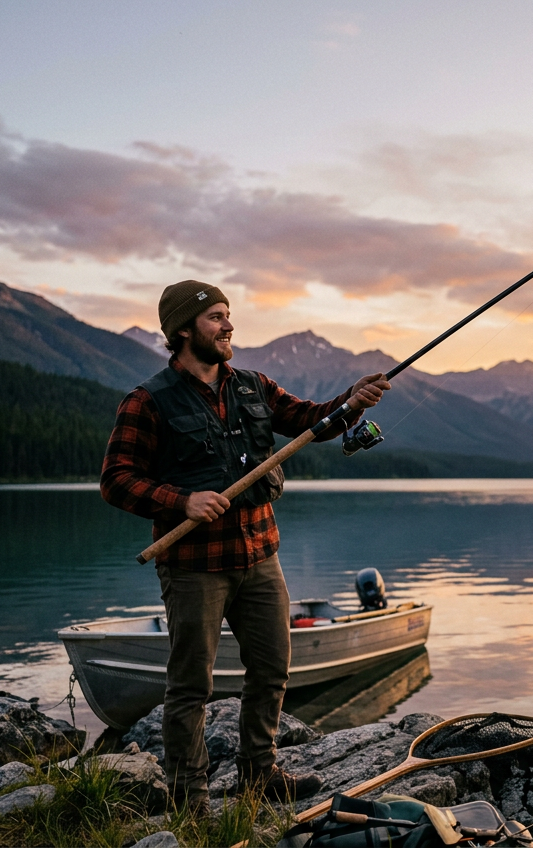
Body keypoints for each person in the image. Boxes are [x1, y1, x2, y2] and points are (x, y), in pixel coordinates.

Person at [100, 280, 390, 813]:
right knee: (191, 686)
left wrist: (350, 403)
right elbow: (115, 479)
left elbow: (309, 420)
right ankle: (191, 797)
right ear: (183, 330)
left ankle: (262, 774)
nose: (228, 325)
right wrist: (180, 500)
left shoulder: (254, 386)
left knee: (273, 669)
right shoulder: (147, 401)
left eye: (228, 315)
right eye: (215, 317)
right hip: (193, 567)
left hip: (261, 554)